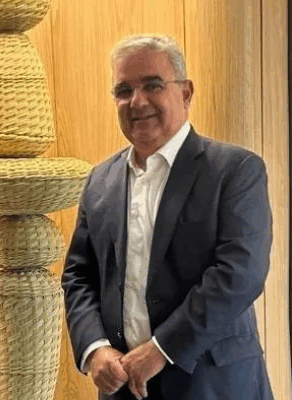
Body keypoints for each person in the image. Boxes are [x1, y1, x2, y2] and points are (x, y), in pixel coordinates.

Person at [62, 34, 274, 400]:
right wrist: (95, 348)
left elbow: (240, 273)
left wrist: (162, 348)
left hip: (213, 385)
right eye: (123, 90)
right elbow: (78, 275)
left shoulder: (235, 170)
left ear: (186, 93)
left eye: (152, 85)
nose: (137, 101)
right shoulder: (99, 180)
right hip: (122, 387)